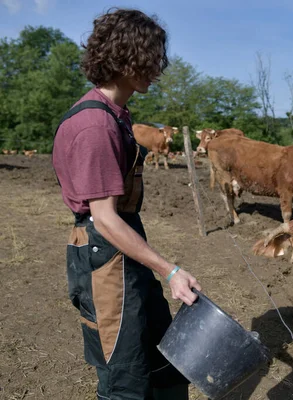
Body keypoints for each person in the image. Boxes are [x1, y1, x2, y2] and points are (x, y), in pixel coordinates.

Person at [52, 8, 200, 400]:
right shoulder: (95, 126)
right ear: (126, 58)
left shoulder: (118, 116)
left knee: (166, 363)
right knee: (126, 380)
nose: (157, 69)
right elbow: (104, 219)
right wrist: (170, 272)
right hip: (104, 256)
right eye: (150, 59)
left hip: (126, 248)